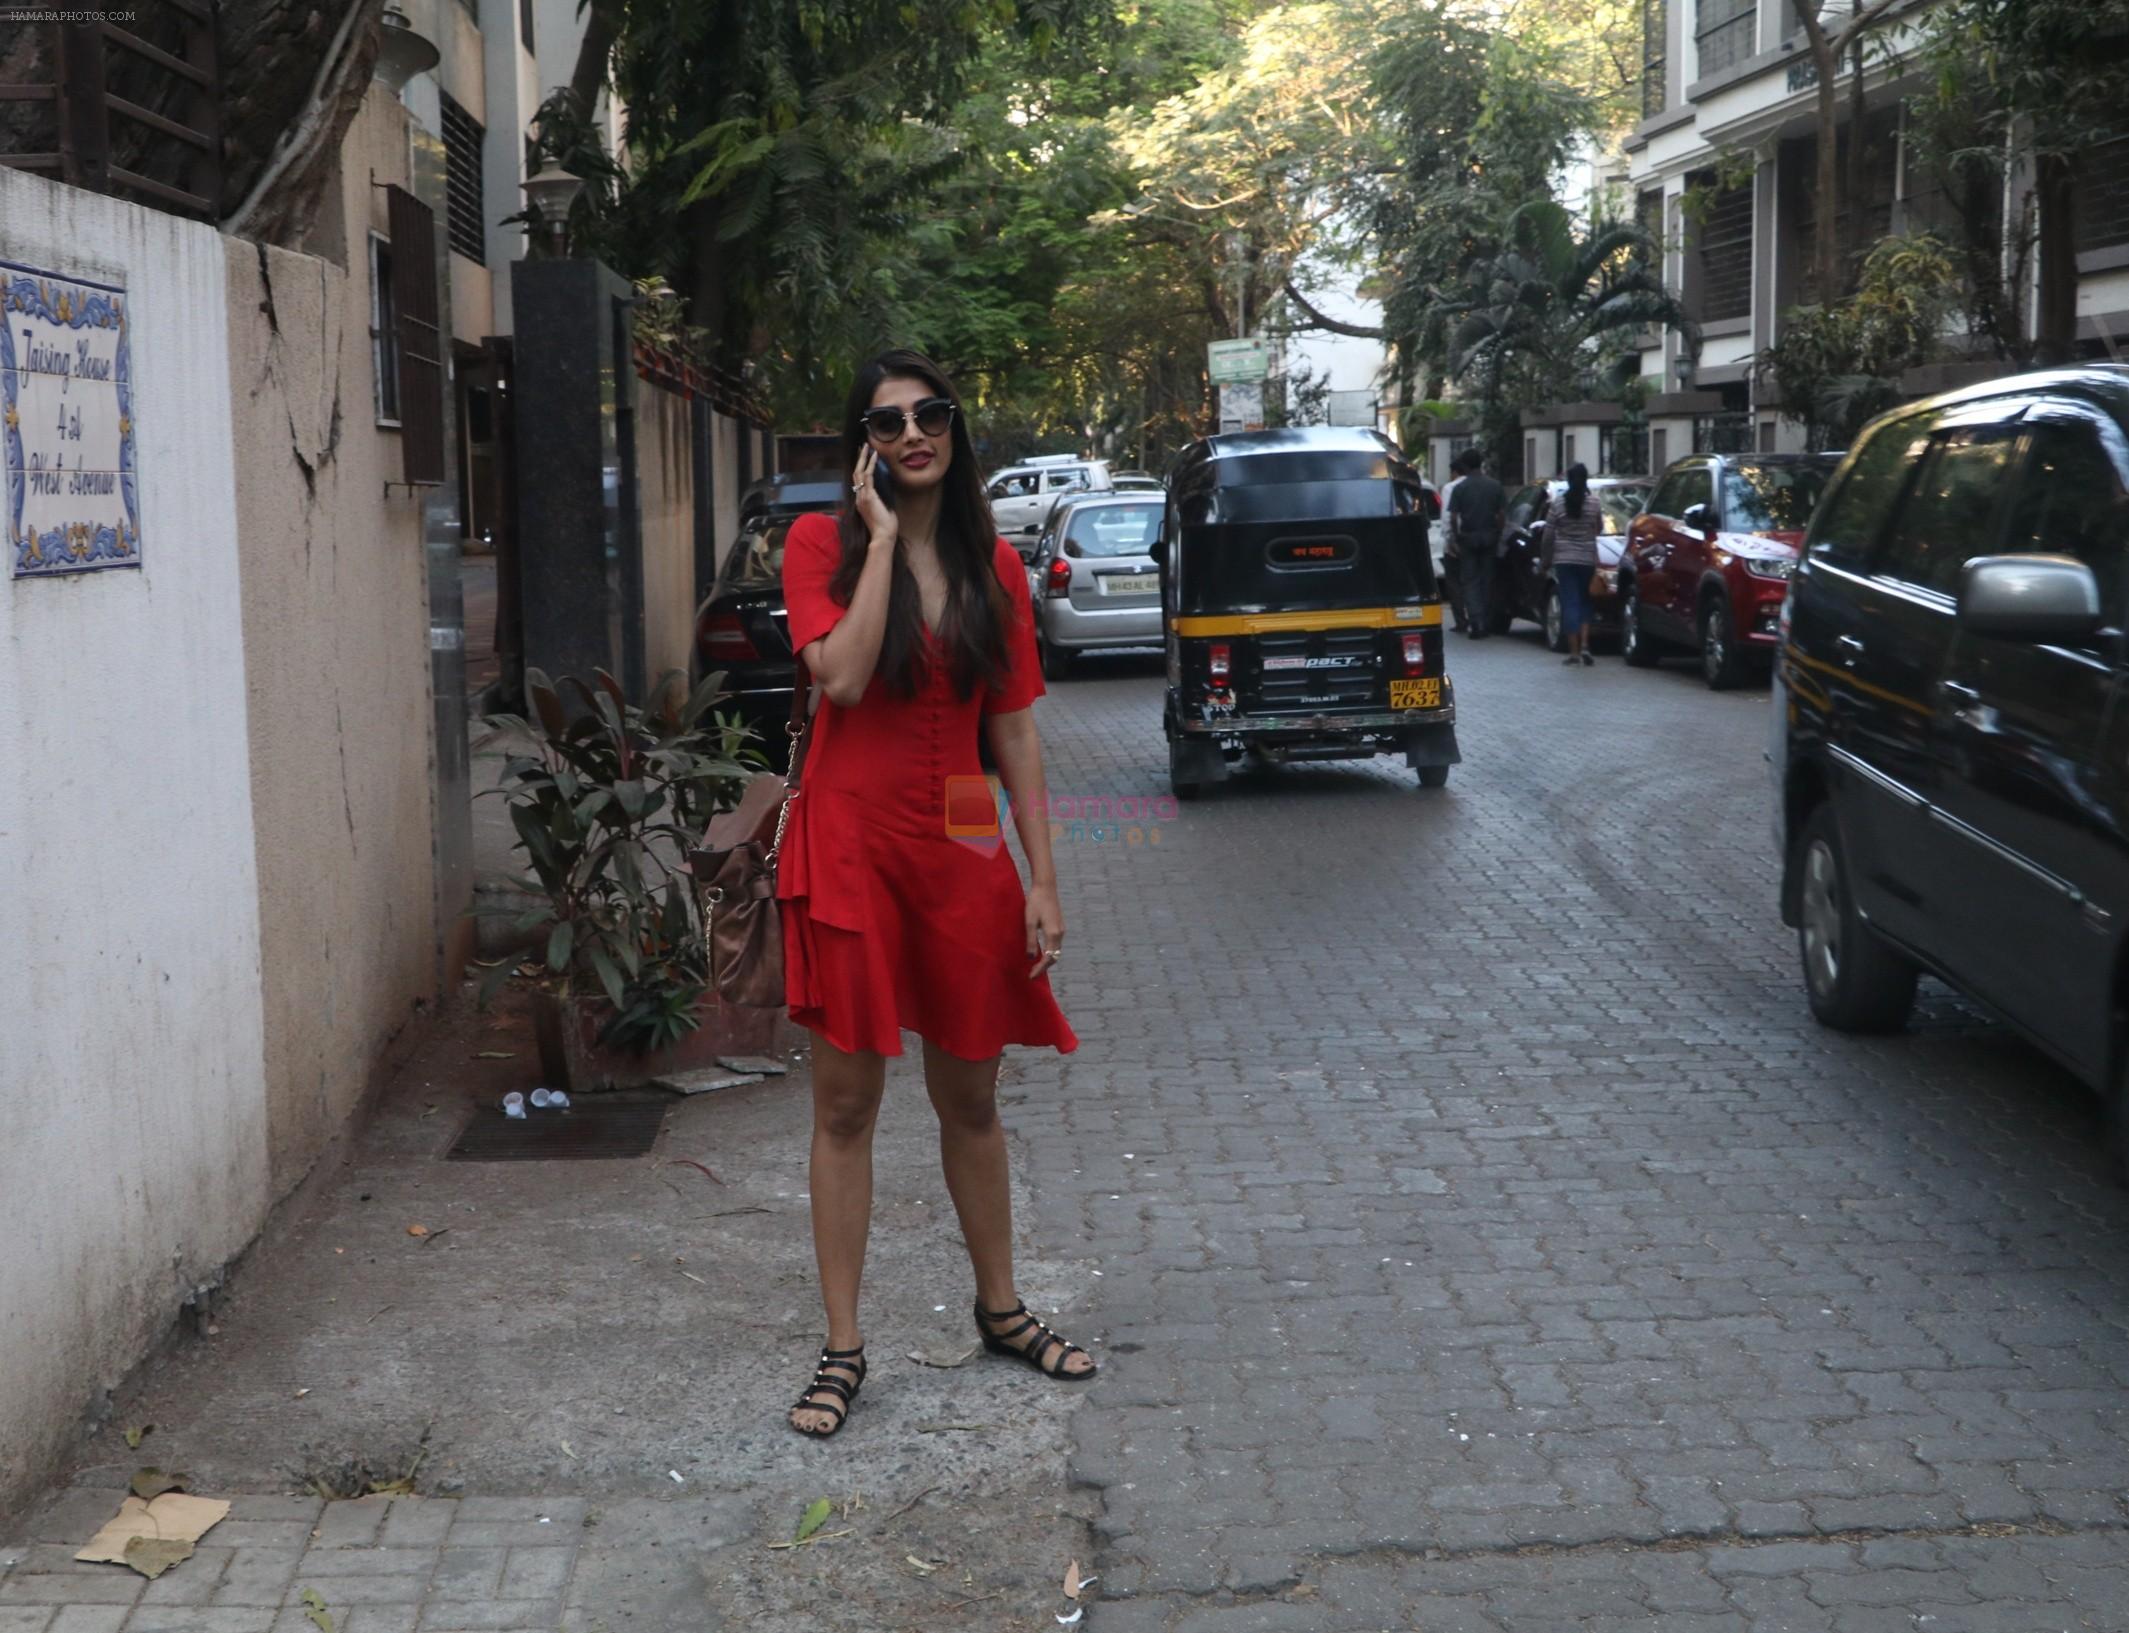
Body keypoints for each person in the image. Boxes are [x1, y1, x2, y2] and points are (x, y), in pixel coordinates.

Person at [776, 348, 1093, 1440]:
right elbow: (846, 676)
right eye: (885, 421)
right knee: (846, 1105)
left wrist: (1039, 878)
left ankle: (999, 1310)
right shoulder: (819, 543)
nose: (910, 433)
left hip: (958, 835)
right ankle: (842, 1345)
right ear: (860, 442)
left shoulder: (994, 564)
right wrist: (875, 545)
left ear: (955, 428)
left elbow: (1009, 730)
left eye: (928, 414)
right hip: (850, 836)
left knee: (970, 1097)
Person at [1546, 463, 1602, 668]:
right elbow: (1600, 527)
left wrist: (1545, 560)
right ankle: (1586, 645)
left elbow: (1549, 534)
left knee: (1570, 602)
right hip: (1587, 559)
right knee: (1586, 601)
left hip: (1564, 560)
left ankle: (1574, 651)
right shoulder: (1594, 503)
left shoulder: (1558, 505)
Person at [1446, 449, 1506, 637]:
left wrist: (1455, 537)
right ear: (1481, 463)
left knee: (1469, 581)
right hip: (1489, 537)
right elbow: (1502, 514)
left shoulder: (1460, 488)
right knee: (1487, 580)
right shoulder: (1495, 486)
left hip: (1468, 538)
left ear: (1464, 466)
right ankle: (1486, 621)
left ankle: (1476, 621)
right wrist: (1498, 532)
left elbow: (1453, 517)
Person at [1438, 460, 1467, 632]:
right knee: (1472, 581)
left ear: (1454, 472)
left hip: (1456, 540)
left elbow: (1448, 517)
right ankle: (1478, 619)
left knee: (1454, 582)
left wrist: (1450, 541)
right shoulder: (1481, 485)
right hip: (1476, 540)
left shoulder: (1450, 488)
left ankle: (1461, 620)